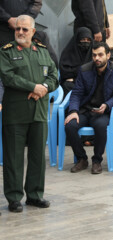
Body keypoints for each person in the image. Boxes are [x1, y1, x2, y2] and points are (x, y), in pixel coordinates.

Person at [0, 15, 58, 213]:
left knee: (37, 157)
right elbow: (8, 77)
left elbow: (53, 75)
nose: (21, 33)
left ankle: (34, 195)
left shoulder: (42, 51)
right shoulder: (6, 52)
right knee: (13, 157)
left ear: (33, 32)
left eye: (25, 29)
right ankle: (14, 198)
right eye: (18, 29)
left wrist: (43, 87)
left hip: (39, 112)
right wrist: (33, 86)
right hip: (15, 113)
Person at [64, 42, 113, 174]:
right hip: (85, 110)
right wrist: (73, 111)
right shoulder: (84, 70)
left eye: (100, 55)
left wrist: (107, 105)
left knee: (100, 126)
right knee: (70, 125)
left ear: (108, 55)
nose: (97, 58)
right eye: (94, 55)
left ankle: (97, 161)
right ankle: (82, 159)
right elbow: (76, 93)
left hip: (103, 112)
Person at [59, 27, 93, 97]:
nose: (86, 42)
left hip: (89, 83)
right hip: (72, 85)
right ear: (77, 40)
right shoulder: (68, 53)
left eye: (88, 40)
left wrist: (75, 76)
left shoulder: (94, 54)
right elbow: (65, 72)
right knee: (67, 85)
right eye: (83, 39)